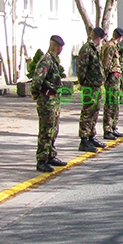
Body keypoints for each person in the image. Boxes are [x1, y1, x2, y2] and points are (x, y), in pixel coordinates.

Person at [33, 35, 68, 172]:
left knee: (53, 128)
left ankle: (50, 154)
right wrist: (36, 95)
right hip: (47, 99)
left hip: (54, 99)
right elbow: (37, 80)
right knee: (46, 130)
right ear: (57, 47)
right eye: (60, 48)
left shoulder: (53, 60)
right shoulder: (46, 60)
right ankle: (41, 159)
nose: (61, 50)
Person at [77, 27, 107, 152]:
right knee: (88, 112)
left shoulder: (95, 49)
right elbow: (82, 68)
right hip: (89, 86)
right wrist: (83, 83)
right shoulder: (87, 49)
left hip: (96, 85)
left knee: (94, 111)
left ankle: (91, 136)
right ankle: (84, 140)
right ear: (98, 38)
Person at [101, 27, 123, 140]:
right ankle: (107, 129)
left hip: (116, 78)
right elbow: (106, 64)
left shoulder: (115, 46)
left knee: (115, 104)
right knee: (110, 104)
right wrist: (105, 79)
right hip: (111, 78)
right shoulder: (109, 47)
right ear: (120, 37)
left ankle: (113, 127)